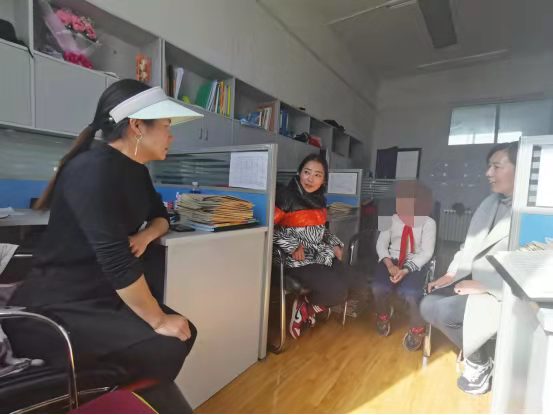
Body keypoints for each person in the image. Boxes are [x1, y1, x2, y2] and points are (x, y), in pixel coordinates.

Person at [4, 79, 203, 385]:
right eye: (166, 126)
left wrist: (145, 236)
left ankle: (117, 395)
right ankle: (104, 399)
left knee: (185, 332)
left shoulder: (137, 171)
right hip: (60, 303)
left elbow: (160, 217)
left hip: (101, 292)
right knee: (166, 346)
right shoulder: (91, 168)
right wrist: (158, 320)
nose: (171, 136)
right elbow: (115, 259)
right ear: (137, 126)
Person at [420, 141, 518, 395]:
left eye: (496, 166)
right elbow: (469, 245)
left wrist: (485, 285)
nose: (488, 173)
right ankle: (484, 355)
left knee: (447, 312)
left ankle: (480, 364)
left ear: (522, 168)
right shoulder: (490, 203)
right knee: (428, 303)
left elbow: (533, 269)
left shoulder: (532, 213)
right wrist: (451, 273)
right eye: (489, 166)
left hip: (502, 293)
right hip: (473, 280)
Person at [273, 154, 367, 339]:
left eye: (317, 175)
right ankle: (306, 309)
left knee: (358, 284)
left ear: (323, 180)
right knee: (337, 291)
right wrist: (292, 245)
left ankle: (306, 308)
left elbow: (321, 231)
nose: (310, 179)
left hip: (319, 255)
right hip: (293, 260)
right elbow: (269, 229)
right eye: (307, 172)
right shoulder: (284, 196)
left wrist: (334, 243)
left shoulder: (320, 200)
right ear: (299, 173)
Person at [373, 181, 436, 351]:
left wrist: (406, 269)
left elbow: (427, 252)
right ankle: (383, 314)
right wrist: (389, 265)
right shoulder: (388, 218)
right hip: (390, 260)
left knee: (411, 292)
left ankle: (417, 328)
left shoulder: (429, 223)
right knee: (378, 287)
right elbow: (380, 244)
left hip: (414, 263)